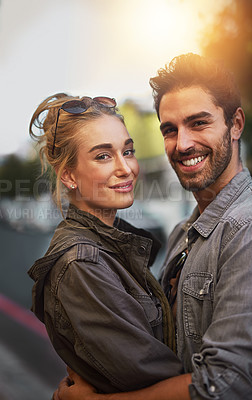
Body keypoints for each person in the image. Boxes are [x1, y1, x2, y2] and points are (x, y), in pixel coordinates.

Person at [53, 54, 252, 400]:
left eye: (199, 123)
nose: (182, 144)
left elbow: (228, 385)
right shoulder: (183, 232)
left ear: (236, 124)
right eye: (170, 129)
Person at [27, 93, 183, 394]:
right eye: (103, 156)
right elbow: (160, 384)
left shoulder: (113, 244)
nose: (126, 168)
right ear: (69, 175)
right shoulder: (82, 263)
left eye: (128, 151)